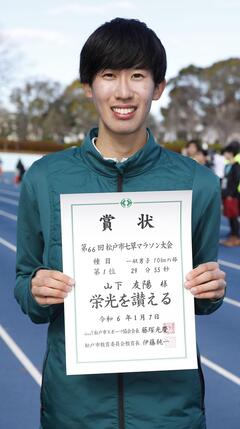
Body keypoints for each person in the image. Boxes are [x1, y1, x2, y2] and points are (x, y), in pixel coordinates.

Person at [15, 18, 226, 429]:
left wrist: (211, 289)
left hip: (169, 413)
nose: (124, 91)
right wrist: (36, 290)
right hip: (75, 411)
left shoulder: (196, 182)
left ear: (158, 88)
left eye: (138, 75)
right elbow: (24, 281)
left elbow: (202, 295)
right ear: (88, 87)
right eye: (109, 75)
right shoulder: (45, 178)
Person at [221, 143, 240, 246]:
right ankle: (232, 235)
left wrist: (230, 194)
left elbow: (236, 181)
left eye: (226, 152)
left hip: (232, 195)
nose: (224, 155)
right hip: (226, 194)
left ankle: (236, 237)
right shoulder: (227, 166)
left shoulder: (236, 166)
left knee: (234, 216)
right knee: (229, 216)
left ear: (231, 153)